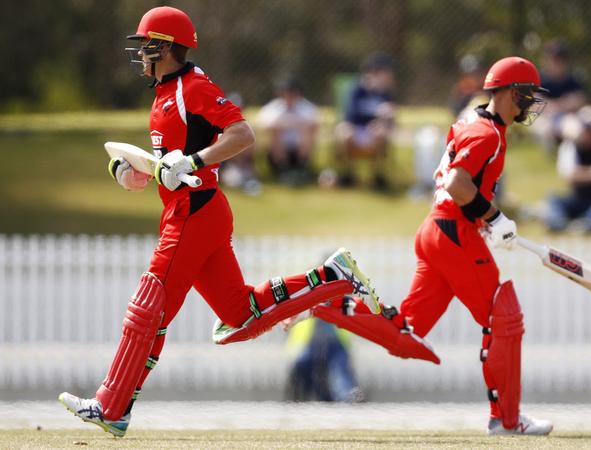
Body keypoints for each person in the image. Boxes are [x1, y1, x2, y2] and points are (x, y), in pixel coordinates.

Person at [57, 6, 379, 438]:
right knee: (239, 316)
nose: (141, 57)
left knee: (148, 308)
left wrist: (193, 160)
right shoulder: (165, 93)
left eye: (146, 48)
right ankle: (335, 277)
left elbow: (241, 135)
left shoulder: (194, 85)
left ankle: (112, 406)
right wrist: (133, 173)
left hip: (196, 211)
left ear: (164, 47)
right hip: (187, 209)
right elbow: (163, 170)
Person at [311, 57, 555, 435]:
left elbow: (457, 186)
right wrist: (493, 217)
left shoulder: (473, 122)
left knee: (406, 333)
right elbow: (459, 184)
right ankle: (507, 420)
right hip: (452, 231)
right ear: (510, 93)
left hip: (436, 228)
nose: (530, 104)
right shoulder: (487, 134)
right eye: (527, 95)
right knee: (502, 317)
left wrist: (483, 220)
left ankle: (332, 300)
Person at [545, 106, 591, 233]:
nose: (589, 133)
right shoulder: (572, 146)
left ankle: (589, 225)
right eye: (586, 128)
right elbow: (570, 175)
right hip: (578, 199)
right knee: (553, 199)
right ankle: (558, 224)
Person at [333, 53, 397, 190]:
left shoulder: (385, 92)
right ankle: (348, 175)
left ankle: (377, 176)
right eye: (386, 73)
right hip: (355, 128)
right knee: (345, 133)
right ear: (375, 73)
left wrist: (386, 118)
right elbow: (349, 115)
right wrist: (377, 112)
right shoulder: (355, 89)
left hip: (374, 132)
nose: (389, 77)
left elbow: (391, 120)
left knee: (380, 132)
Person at [284, 315, 362, 402]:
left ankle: (349, 398)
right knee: (302, 368)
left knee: (340, 373)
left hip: (336, 341)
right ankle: (298, 399)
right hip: (307, 342)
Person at [257, 77, 319, 185]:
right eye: (287, 93)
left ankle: (301, 167)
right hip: (278, 149)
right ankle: (283, 169)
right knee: (276, 131)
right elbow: (264, 124)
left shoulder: (307, 107)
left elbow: (313, 124)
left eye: (292, 93)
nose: (289, 96)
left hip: (300, 147)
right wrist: (289, 125)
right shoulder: (273, 108)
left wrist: (290, 124)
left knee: (307, 131)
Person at [532, 40, 588, 154]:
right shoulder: (539, 79)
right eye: (554, 59)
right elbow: (534, 104)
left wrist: (554, 105)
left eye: (561, 60)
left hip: (566, 117)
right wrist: (562, 104)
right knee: (544, 129)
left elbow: (580, 100)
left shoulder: (571, 80)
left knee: (579, 126)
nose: (558, 63)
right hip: (544, 119)